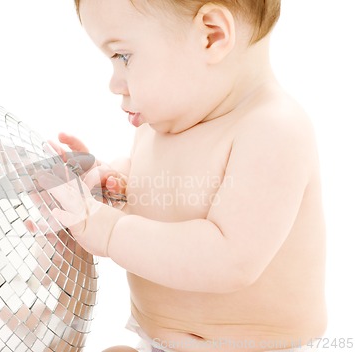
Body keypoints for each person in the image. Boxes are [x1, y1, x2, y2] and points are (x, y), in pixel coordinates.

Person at [37, 0, 327, 351]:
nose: (115, 84)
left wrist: (107, 229)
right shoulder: (167, 121)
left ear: (211, 36)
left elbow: (230, 258)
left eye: (123, 56)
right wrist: (115, 185)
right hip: (157, 340)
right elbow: (163, 192)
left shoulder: (273, 129)